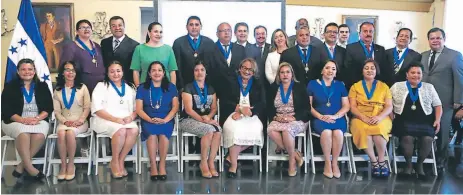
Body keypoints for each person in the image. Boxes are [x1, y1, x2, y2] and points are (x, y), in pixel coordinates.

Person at [1, 58, 53, 180]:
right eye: (23, 69)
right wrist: (23, 120)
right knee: (23, 133)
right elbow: (6, 110)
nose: (27, 72)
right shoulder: (10, 86)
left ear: (34, 71)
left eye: (30, 69)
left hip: (38, 119)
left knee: (39, 135)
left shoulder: (42, 86)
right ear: (18, 72)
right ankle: (30, 168)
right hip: (14, 121)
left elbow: (48, 107)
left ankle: (21, 166)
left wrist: (37, 118)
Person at [420, 27, 463, 173]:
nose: (435, 41)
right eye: (432, 38)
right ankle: (425, 157)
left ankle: (441, 160)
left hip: (446, 100)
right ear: (428, 40)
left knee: (443, 131)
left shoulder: (454, 55)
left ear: (444, 39)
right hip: (425, 100)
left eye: (438, 38)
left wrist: (459, 101)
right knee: (426, 128)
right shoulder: (423, 55)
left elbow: (460, 79)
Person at [390, 62, 442, 179]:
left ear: (422, 75)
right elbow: (388, 103)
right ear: (407, 75)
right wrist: (391, 117)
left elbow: (438, 105)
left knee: (428, 138)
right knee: (407, 138)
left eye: (418, 73)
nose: (416, 75)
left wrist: (437, 120)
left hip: (425, 120)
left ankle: (419, 165)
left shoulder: (429, 87)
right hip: (402, 120)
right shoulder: (397, 86)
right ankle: (408, 165)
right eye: (412, 72)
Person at [91, 61, 139, 178]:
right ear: (107, 73)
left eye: (118, 71)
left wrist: (131, 117)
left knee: (134, 130)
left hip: (125, 120)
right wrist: (115, 119)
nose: (115, 74)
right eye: (112, 71)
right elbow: (97, 109)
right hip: (104, 119)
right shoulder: (101, 86)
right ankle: (114, 160)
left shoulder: (130, 87)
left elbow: (137, 108)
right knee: (121, 131)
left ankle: (120, 160)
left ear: (122, 72)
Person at [348, 59, 393, 177]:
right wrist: (362, 117)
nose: (369, 70)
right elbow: (352, 107)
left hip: (380, 115)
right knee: (363, 130)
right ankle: (374, 161)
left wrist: (379, 117)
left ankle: (382, 160)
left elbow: (389, 106)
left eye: (372, 68)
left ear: (376, 70)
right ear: (362, 71)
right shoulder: (355, 86)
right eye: (366, 68)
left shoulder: (384, 86)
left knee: (379, 129)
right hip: (360, 116)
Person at [135, 61, 179, 181]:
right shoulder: (142, 87)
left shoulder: (171, 87)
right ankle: (153, 166)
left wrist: (165, 120)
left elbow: (175, 107)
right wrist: (150, 119)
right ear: (149, 73)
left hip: (166, 118)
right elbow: (139, 109)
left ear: (164, 73)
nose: (157, 73)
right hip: (148, 118)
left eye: (159, 70)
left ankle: (162, 165)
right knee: (152, 134)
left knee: (164, 135)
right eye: (153, 70)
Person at [222, 58, 265, 178]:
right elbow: (224, 100)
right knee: (234, 130)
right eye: (244, 68)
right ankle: (233, 166)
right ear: (240, 69)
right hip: (234, 113)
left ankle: (230, 156)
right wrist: (239, 109)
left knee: (256, 130)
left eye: (250, 69)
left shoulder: (257, 83)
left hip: (251, 115)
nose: (247, 71)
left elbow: (262, 102)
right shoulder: (231, 81)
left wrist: (251, 111)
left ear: (254, 71)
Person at [307, 60, 350, 179]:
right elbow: (308, 106)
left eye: (333, 69)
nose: (330, 71)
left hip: (337, 118)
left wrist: (335, 116)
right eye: (327, 68)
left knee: (338, 133)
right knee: (326, 133)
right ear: (322, 70)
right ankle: (327, 163)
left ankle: (334, 163)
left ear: (336, 73)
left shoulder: (340, 85)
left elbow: (346, 106)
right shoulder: (312, 84)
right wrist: (320, 116)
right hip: (319, 118)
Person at [179, 61, 221, 178]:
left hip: (205, 120)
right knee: (208, 130)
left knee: (218, 131)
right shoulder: (188, 88)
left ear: (206, 73)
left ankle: (211, 162)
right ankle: (203, 163)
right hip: (188, 120)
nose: (199, 72)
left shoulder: (211, 88)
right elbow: (188, 110)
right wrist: (205, 121)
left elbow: (213, 108)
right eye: (196, 70)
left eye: (202, 70)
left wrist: (209, 117)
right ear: (193, 72)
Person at [267, 62, 309, 176]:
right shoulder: (273, 87)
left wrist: (293, 117)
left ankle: (291, 161)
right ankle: (295, 155)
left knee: (287, 131)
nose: (285, 75)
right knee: (270, 130)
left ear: (292, 74)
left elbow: (306, 109)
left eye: (287, 72)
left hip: (297, 119)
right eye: (282, 72)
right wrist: (275, 117)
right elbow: (268, 107)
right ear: (278, 75)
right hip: (278, 118)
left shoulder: (300, 87)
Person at [53, 61, 91, 181]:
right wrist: (64, 122)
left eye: (73, 70)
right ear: (63, 72)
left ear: (76, 72)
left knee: (70, 133)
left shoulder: (82, 87)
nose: (70, 73)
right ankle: (63, 165)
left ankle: (71, 164)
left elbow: (87, 107)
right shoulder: (58, 90)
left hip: (80, 122)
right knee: (61, 132)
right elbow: (57, 112)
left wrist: (80, 120)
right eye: (67, 70)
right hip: (64, 122)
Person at [60, 19, 105, 95]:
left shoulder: (97, 46)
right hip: (82, 86)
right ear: (77, 31)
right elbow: (64, 67)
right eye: (83, 27)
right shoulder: (71, 46)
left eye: (88, 27)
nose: (86, 29)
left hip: (101, 86)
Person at [206, 22, 246, 105]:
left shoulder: (240, 49)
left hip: (236, 91)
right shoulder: (210, 49)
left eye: (229, 30)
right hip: (217, 91)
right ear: (217, 34)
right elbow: (208, 72)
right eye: (223, 31)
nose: (227, 33)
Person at [172, 16, 215, 90]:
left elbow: (212, 66)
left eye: (197, 25)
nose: (194, 27)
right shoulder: (178, 43)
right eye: (191, 25)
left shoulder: (209, 42)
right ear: (186, 27)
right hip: (185, 85)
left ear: (201, 27)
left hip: (206, 86)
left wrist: (211, 87)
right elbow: (177, 67)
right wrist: (181, 87)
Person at [131, 22, 178, 87]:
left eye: (161, 32)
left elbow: (172, 72)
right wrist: (139, 88)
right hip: (145, 88)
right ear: (149, 33)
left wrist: (173, 90)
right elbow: (135, 71)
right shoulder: (139, 49)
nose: (158, 34)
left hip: (165, 89)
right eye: (156, 31)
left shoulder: (168, 49)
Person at [344, 22, 388, 90]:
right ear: (359, 33)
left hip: (377, 88)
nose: (368, 34)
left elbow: (384, 70)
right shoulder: (351, 48)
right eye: (365, 31)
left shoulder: (381, 49)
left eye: (371, 31)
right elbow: (348, 70)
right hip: (357, 87)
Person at [101, 16, 139, 84]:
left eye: (120, 25)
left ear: (124, 26)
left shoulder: (135, 45)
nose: (117, 28)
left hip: (127, 83)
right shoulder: (104, 43)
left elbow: (135, 69)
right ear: (110, 28)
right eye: (113, 26)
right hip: (108, 83)